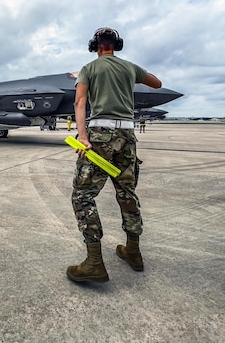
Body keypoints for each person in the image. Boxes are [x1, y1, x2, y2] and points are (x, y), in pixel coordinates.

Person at [66, 27, 162, 283]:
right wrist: (135, 74)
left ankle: (94, 262)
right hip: (127, 138)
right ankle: (133, 251)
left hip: (101, 136)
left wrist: (83, 136)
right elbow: (156, 82)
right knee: (127, 192)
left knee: (83, 195)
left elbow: (80, 102)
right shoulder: (130, 68)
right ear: (116, 45)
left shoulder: (88, 69)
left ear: (96, 46)